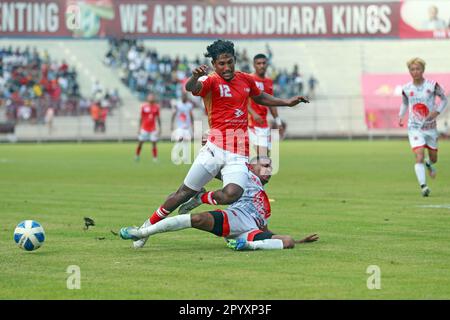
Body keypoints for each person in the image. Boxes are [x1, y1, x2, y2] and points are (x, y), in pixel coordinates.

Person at [132, 39, 309, 249]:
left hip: (238, 152)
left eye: (230, 62)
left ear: (235, 60)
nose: (226, 67)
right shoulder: (210, 81)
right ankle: (145, 229)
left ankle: (202, 197)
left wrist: (286, 102)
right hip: (214, 150)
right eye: (221, 64)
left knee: (233, 193)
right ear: (214, 64)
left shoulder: (245, 80)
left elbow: (259, 97)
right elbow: (192, 87)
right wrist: (195, 76)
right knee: (181, 194)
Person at [119, 156, 319, 251]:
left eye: (271, 166)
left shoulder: (265, 202)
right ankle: (142, 232)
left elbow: (265, 228)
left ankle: (246, 245)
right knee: (197, 219)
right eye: (265, 165)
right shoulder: (244, 174)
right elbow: (215, 170)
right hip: (235, 217)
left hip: (248, 230)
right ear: (251, 165)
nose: (269, 169)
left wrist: (301, 241)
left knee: (288, 241)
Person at [398, 57, 448, 197]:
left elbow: (445, 99)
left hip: (430, 128)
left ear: (423, 70)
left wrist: (437, 111)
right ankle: (424, 186)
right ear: (409, 71)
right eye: (412, 69)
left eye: (417, 69)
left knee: (433, 159)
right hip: (414, 128)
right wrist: (401, 115)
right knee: (418, 155)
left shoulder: (432, 85)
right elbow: (404, 103)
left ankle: (428, 163)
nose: (415, 72)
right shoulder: (406, 89)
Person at [248, 53, 284, 157]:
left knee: (265, 157)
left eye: (264, 63)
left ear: (267, 64)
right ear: (254, 65)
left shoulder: (269, 81)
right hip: (251, 124)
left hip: (264, 124)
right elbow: (242, 100)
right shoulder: (249, 79)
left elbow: (271, 103)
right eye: (258, 63)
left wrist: (278, 121)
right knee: (261, 157)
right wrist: (253, 113)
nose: (262, 65)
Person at [135, 93, 161, 162]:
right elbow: (141, 118)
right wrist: (139, 128)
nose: (151, 98)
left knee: (154, 143)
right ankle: (137, 156)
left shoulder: (156, 107)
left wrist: (160, 129)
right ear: (147, 98)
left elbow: (158, 119)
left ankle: (155, 158)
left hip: (153, 129)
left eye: (152, 97)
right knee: (140, 142)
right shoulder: (144, 106)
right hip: (144, 128)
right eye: (150, 97)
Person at [171, 92, 194, 164]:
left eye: (185, 96)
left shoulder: (189, 105)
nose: (184, 98)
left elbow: (191, 116)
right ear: (181, 97)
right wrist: (171, 124)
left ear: (186, 97)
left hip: (187, 127)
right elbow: (174, 114)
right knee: (179, 140)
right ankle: (174, 156)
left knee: (186, 142)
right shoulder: (178, 105)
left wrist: (192, 125)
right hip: (180, 127)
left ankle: (185, 158)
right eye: (183, 96)